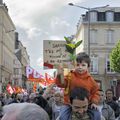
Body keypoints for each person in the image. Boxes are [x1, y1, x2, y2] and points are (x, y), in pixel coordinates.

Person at [55, 52, 100, 120]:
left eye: (83, 65)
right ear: (74, 65)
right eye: (78, 65)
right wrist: (59, 75)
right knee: (63, 116)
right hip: (68, 103)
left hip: (87, 104)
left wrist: (94, 102)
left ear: (88, 66)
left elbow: (96, 91)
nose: (80, 67)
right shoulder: (70, 75)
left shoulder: (91, 80)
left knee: (97, 115)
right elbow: (61, 84)